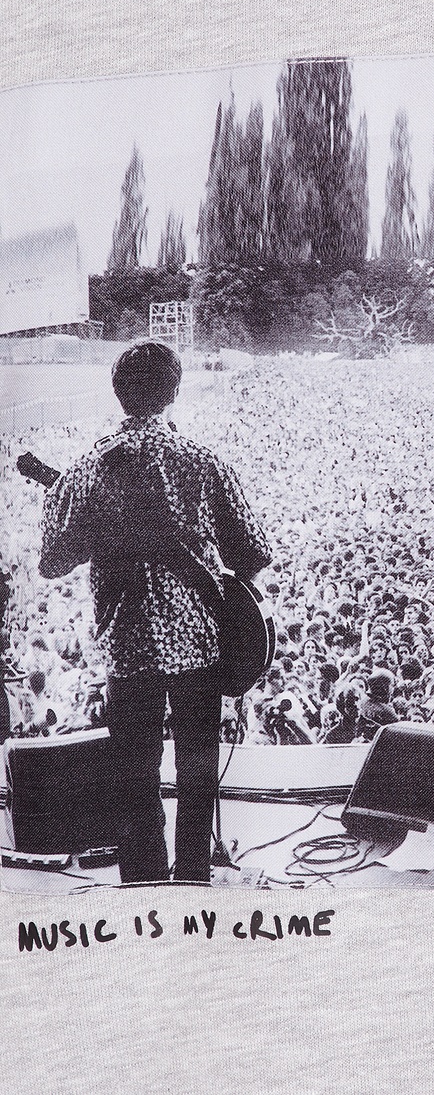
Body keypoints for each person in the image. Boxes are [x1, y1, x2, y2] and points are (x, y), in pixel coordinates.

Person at [40, 341, 271, 883]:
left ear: (119, 395)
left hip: (127, 644)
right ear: (172, 393)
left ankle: (143, 881)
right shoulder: (203, 461)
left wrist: (62, 506)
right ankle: (192, 875)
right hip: (200, 645)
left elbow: (53, 561)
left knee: (133, 775)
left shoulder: (87, 470)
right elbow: (252, 553)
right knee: (197, 771)